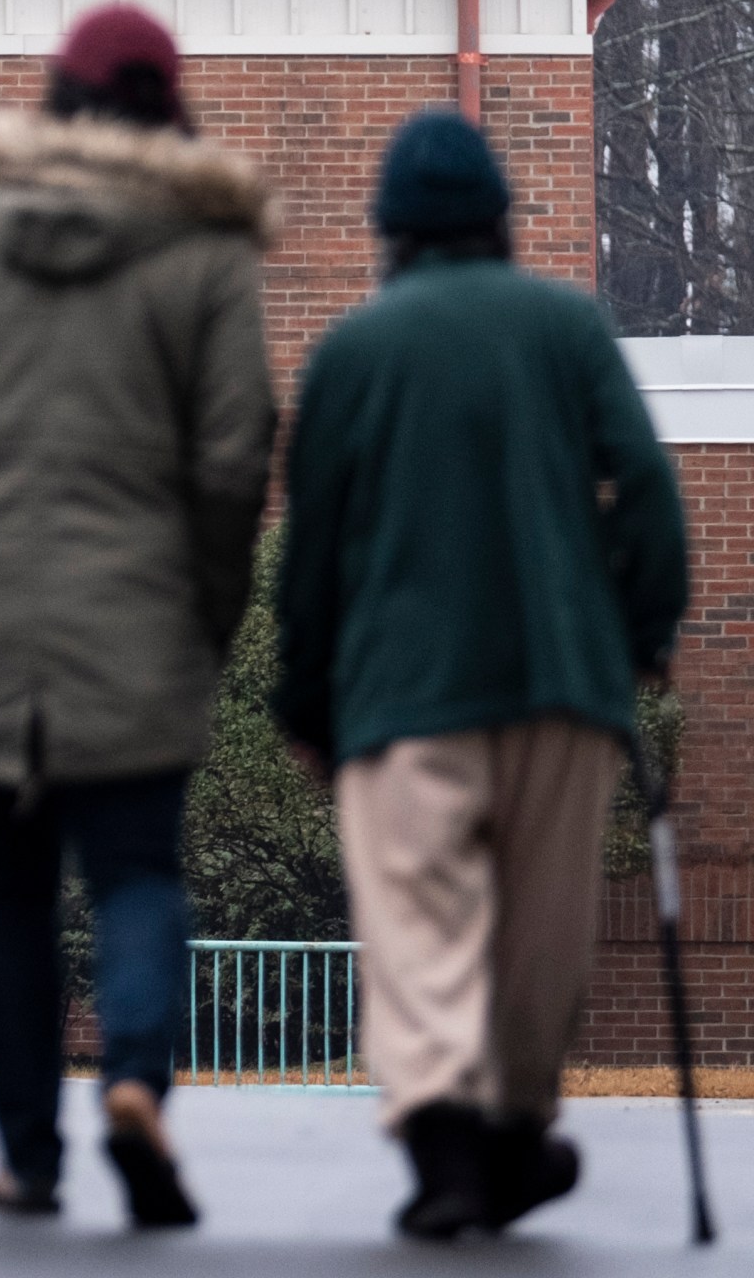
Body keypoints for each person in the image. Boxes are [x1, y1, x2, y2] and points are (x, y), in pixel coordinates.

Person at [0, 3, 277, 1228]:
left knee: (6, 890)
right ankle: (132, 1078)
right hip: (141, 625)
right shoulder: (204, 254)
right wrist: (213, 611)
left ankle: (27, 1157)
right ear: (165, 113)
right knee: (134, 871)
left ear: (53, 102)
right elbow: (238, 459)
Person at [273, 110, 689, 1241]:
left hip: (404, 698)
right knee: (539, 931)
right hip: (562, 685)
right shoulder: (566, 328)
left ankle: (447, 1144)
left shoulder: (354, 353)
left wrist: (303, 700)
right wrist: (641, 638)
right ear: (501, 219)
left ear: (389, 232)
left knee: (418, 925)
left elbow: (311, 555)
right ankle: (513, 1129)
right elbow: (647, 494)